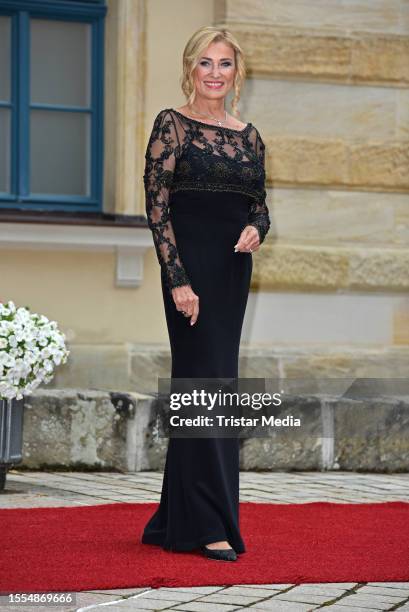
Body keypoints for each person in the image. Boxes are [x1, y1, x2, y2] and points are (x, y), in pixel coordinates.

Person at [141, 25, 271, 562]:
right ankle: (210, 523)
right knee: (205, 389)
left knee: (215, 386)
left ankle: (176, 518)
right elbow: (157, 208)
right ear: (190, 68)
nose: (215, 74)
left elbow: (259, 203)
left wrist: (257, 229)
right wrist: (177, 279)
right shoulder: (171, 126)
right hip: (190, 276)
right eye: (205, 63)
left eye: (224, 64)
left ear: (236, 73)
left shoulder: (250, 136)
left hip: (232, 274)